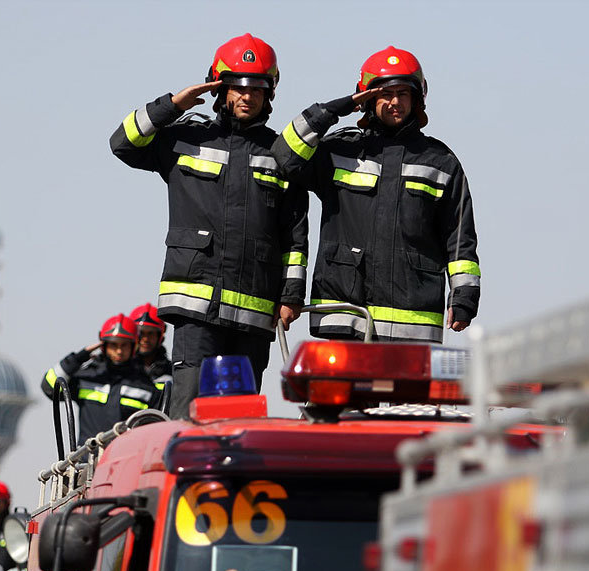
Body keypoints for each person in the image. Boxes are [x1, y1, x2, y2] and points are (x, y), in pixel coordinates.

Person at [110, 33, 309, 418]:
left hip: (254, 311)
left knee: (242, 417)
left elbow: (295, 232)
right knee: (189, 415)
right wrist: (171, 105)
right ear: (219, 88)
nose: (247, 96)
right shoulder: (183, 138)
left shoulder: (279, 152)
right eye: (237, 86)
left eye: (257, 88)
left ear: (270, 94)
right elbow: (123, 144)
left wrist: (291, 296)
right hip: (194, 306)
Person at [272, 46, 480, 343]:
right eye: (385, 93)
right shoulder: (338, 151)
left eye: (404, 93)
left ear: (417, 98)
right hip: (346, 314)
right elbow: (284, 153)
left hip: (413, 320)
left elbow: (459, 236)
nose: (395, 102)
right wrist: (336, 109)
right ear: (368, 99)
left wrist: (464, 295)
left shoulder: (441, 161)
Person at [40, 314, 161, 444]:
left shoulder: (145, 386)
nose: (119, 351)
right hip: (88, 460)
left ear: (134, 346)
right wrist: (78, 358)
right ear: (104, 345)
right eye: (114, 345)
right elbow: (49, 386)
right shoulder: (88, 377)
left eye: (124, 345)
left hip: (126, 461)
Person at [129, 302, 173, 390]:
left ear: (160, 338)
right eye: (141, 333)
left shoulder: (171, 373)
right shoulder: (120, 370)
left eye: (150, 333)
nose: (145, 339)